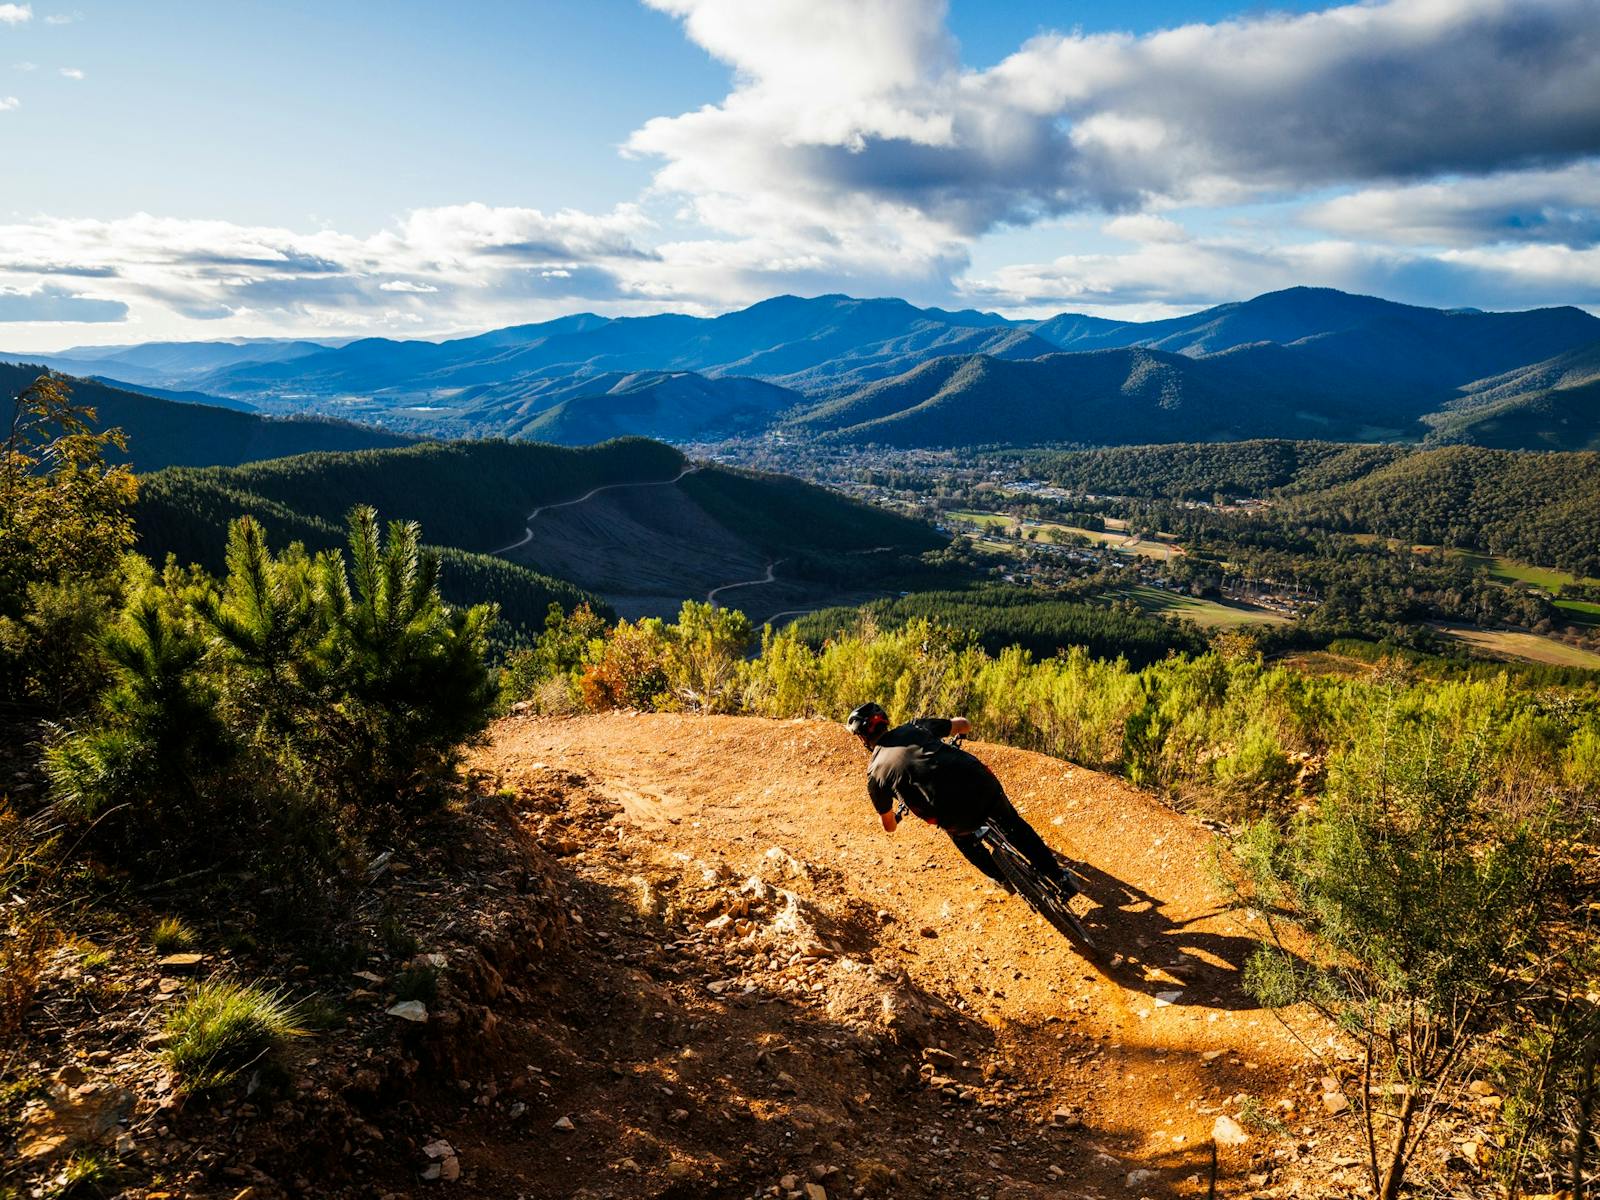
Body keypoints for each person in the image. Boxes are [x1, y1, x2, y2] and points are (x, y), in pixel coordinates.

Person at [845, 702, 1077, 898]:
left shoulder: (875, 774)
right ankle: (1058, 876)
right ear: (886, 722)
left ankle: (1006, 880)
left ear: (863, 738)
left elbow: (889, 826)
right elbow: (964, 724)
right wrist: (957, 731)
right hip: (982, 786)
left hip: (952, 816)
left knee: (966, 842)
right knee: (1013, 825)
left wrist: (896, 815)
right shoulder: (915, 727)